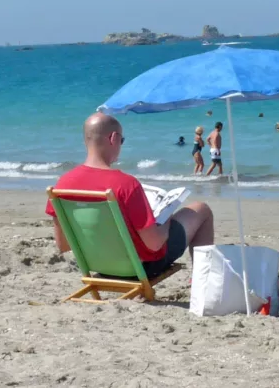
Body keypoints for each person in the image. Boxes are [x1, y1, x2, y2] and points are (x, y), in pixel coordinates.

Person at [47, 113, 215, 274]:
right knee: (201, 209)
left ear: (86, 141)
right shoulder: (125, 184)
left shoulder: (63, 184)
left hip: (97, 265)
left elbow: (63, 245)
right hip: (138, 268)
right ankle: (202, 281)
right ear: (113, 138)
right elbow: (155, 244)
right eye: (122, 140)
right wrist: (167, 216)